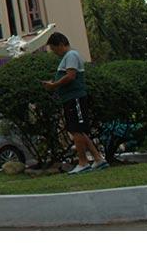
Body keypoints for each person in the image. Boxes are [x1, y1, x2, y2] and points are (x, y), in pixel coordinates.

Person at [43, 32, 109, 173]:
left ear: (61, 44)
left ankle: (83, 162)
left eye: (54, 49)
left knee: (76, 130)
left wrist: (54, 85)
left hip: (75, 97)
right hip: (69, 98)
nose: (55, 53)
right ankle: (98, 159)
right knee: (77, 130)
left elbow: (71, 76)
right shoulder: (68, 57)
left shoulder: (71, 56)